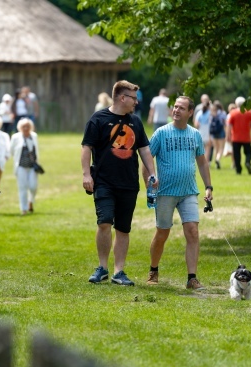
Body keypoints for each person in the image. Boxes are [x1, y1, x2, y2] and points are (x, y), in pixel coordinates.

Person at [81, 80, 157, 287]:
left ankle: (119, 271)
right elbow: (86, 147)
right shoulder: (98, 119)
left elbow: (145, 150)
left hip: (128, 182)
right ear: (122, 98)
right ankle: (102, 268)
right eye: (133, 98)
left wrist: (152, 174)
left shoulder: (135, 122)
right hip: (104, 181)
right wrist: (86, 174)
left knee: (123, 228)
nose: (136, 103)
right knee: (104, 222)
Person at [143, 96, 213, 291]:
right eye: (175, 107)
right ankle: (153, 270)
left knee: (192, 232)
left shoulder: (195, 135)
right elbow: (147, 161)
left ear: (190, 112)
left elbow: (202, 162)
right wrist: (150, 186)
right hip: (165, 193)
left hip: (189, 192)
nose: (176, 110)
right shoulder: (161, 133)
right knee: (162, 233)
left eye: (181, 108)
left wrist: (209, 187)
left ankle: (192, 278)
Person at [10, 118, 40, 215]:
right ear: (20, 127)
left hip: (32, 166)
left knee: (33, 186)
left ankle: (30, 201)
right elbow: (11, 150)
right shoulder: (15, 137)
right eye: (24, 126)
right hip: (21, 166)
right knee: (22, 187)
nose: (26, 128)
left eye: (28, 126)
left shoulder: (34, 136)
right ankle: (24, 209)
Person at [227, 97, 251, 175]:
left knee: (237, 154)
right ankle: (247, 162)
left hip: (236, 137)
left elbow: (229, 125)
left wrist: (228, 136)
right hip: (246, 137)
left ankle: (238, 170)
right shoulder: (248, 112)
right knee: (249, 153)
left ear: (236, 104)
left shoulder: (233, 113)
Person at [209, 101, 227, 169]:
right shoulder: (222, 113)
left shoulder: (212, 113)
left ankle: (216, 163)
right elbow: (225, 124)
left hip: (213, 133)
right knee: (221, 148)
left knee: (216, 148)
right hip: (221, 132)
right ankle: (218, 159)